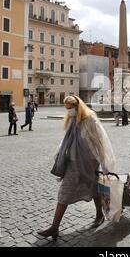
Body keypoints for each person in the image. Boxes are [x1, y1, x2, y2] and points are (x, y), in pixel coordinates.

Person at [38, 95, 117, 241]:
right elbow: (66, 140)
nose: (68, 111)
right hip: (73, 163)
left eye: (70, 108)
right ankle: (54, 227)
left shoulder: (90, 119)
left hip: (89, 162)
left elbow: (100, 142)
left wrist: (105, 164)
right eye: (67, 109)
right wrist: (59, 153)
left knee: (94, 188)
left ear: (77, 107)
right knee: (65, 192)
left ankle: (99, 215)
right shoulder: (72, 120)